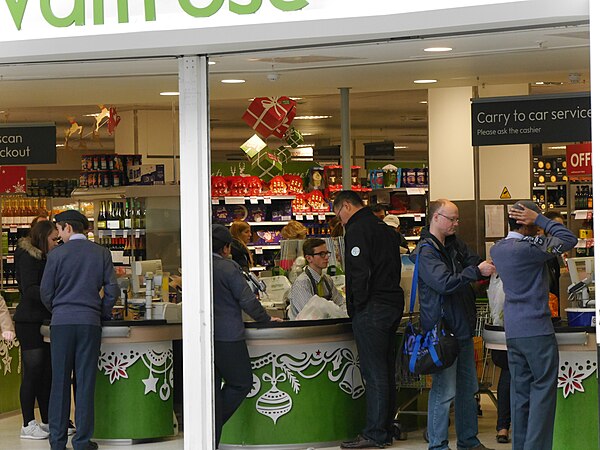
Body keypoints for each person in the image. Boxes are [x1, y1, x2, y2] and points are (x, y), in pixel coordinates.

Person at [490, 201, 577, 450]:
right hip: (537, 330)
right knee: (543, 393)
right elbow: (568, 239)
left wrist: (535, 221)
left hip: (514, 331)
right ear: (526, 222)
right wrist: (540, 219)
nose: (540, 230)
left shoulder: (498, 249)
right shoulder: (528, 248)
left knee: (521, 395)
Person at [413, 199, 495, 450]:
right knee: (444, 390)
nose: (456, 224)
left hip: (461, 328)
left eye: (457, 219)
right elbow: (444, 283)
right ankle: (437, 445)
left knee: (468, 390)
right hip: (442, 332)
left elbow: (476, 262)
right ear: (436, 217)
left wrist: (474, 270)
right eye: (452, 219)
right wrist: (473, 272)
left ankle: (468, 441)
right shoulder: (426, 251)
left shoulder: (455, 245)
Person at [41, 210, 119, 450]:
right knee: (85, 382)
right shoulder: (101, 253)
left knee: (60, 382)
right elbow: (113, 290)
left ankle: (57, 440)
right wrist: (101, 311)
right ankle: (82, 441)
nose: (58, 235)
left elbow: (46, 292)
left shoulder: (56, 255)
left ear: (67, 228)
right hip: (89, 323)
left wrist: (59, 309)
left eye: (59, 230)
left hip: (62, 323)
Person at [333, 190, 404, 449]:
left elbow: (360, 272)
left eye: (338, 212)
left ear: (347, 206)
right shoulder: (384, 228)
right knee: (385, 370)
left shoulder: (357, 229)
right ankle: (384, 427)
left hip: (372, 308)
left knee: (374, 373)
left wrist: (357, 305)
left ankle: (374, 433)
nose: (339, 219)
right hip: (392, 303)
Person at [212, 224, 281, 448]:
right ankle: (213, 423)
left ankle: (209, 433)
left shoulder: (197, 265)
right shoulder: (227, 267)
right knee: (241, 382)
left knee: (211, 389)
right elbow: (247, 300)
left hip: (203, 336)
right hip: (228, 335)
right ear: (225, 247)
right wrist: (265, 319)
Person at [13, 221, 60, 440]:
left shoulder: (46, 257)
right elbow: (31, 288)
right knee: (33, 372)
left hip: (44, 319)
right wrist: (54, 298)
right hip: (29, 321)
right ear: (42, 238)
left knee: (46, 373)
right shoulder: (27, 256)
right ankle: (27, 423)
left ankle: (48, 420)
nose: (56, 243)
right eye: (53, 239)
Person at [288, 238, 346, 319]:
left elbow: (341, 303)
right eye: (322, 254)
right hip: (306, 330)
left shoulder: (327, 280)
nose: (326, 257)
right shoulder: (302, 283)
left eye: (327, 253)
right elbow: (310, 315)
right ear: (309, 258)